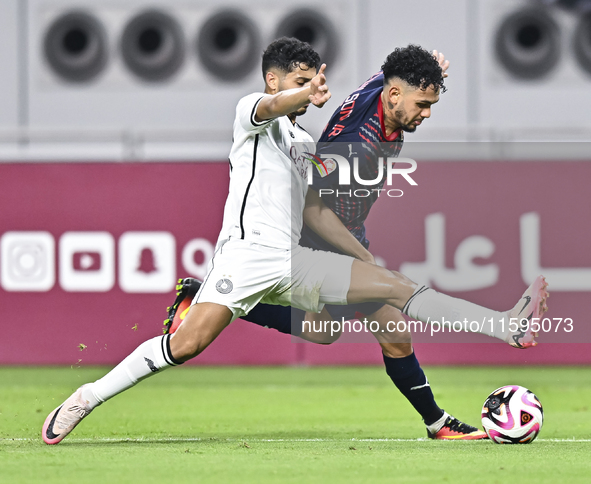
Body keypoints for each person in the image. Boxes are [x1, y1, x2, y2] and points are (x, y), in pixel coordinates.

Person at [42, 38, 548, 445]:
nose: (309, 90)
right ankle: (88, 396)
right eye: (298, 82)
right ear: (274, 81)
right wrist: (362, 253)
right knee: (186, 345)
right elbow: (301, 166)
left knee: (366, 318)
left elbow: (381, 83)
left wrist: (423, 69)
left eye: (313, 80)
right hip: (248, 255)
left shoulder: (309, 140)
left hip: (297, 257)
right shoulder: (255, 115)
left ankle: (446, 409)